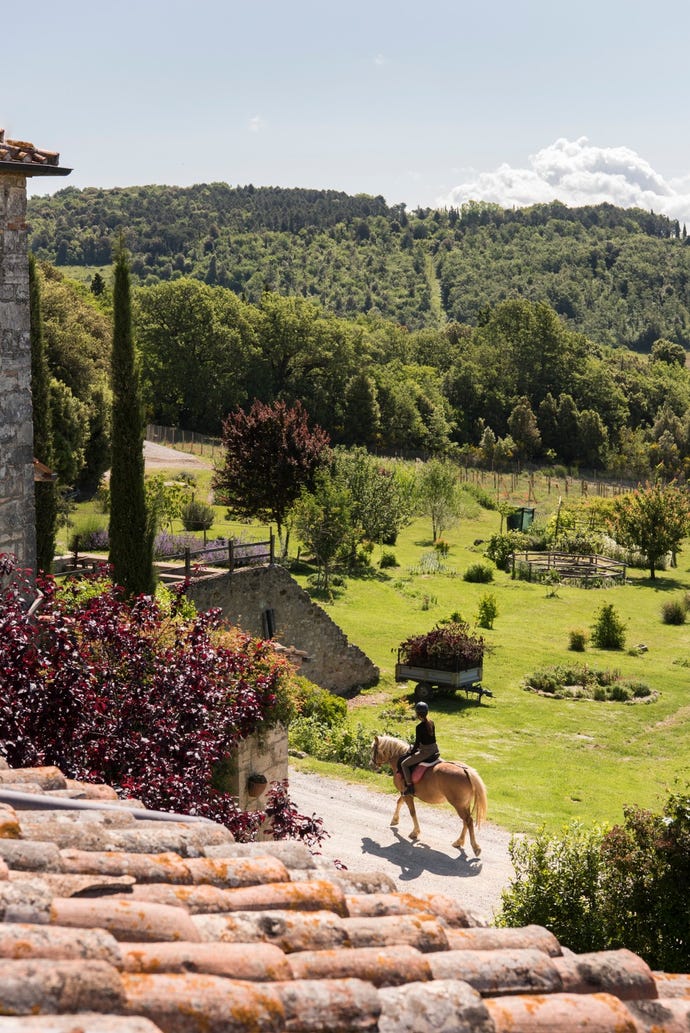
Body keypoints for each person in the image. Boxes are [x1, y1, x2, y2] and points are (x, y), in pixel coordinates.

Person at [400, 700, 439, 796]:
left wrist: (410, 753)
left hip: (426, 752)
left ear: (418, 714)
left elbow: (417, 744)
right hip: (435, 749)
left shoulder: (419, 727)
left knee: (404, 764)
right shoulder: (432, 722)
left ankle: (410, 787)